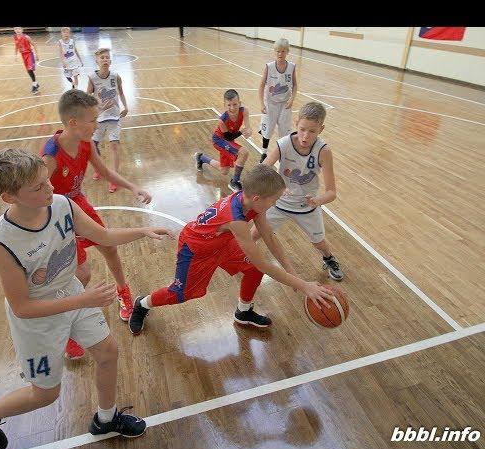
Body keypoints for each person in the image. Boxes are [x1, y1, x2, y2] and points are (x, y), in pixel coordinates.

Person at [0, 147, 173, 449]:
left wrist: (143, 230)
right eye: (38, 187)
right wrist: (83, 300)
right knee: (45, 394)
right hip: (37, 319)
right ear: (10, 197)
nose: (50, 188)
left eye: (47, 180)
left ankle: (106, 418)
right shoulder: (3, 241)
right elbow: (22, 307)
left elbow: (104, 236)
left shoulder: (62, 204)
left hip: (73, 294)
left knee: (108, 353)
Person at [128, 163, 333, 335]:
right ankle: (142, 304)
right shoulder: (235, 218)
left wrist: (292, 272)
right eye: (274, 200)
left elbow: (269, 236)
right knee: (182, 294)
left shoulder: (252, 204)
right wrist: (303, 285)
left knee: (253, 271)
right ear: (257, 198)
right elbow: (261, 260)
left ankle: (243, 312)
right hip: (195, 250)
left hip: (222, 243)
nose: (275, 204)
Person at [41, 89, 153, 357]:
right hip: (58, 214)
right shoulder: (50, 155)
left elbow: (103, 172)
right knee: (81, 274)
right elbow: (38, 192)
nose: (97, 124)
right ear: (73, 123)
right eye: (93, 120)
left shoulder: (86, 144)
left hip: (78, 203)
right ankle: (65, 328)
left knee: (110, 248)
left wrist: (132, 186)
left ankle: (123, 294)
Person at [256, 102, 343, 281]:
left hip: (307, 207)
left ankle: (329, 258)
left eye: (312, 131)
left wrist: (318, 200)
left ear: (321, 129)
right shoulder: (284, 144)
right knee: (254, 234)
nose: (305, 136)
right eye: (302, 129)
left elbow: (332, 192)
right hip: (279, 204)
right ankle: (240, 257)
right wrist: (278, 186)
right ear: (296, 123)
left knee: (319, 243)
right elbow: (263, 170)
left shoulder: (323, 151)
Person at [86, 48, 129, 193]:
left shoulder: (116, 76)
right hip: (98, 118)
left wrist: (126, 106)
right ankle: (99, 169)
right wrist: (98, 108)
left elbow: (121, 93)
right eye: (102, 58)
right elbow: (87, 98)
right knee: (93, 147)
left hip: (114, 117)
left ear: (110, 61)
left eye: (107, 58)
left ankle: (114, 177)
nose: (105, 60)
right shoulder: (92, 77)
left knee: (114, 146)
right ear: (97, 61)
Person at [194, 89, 252, 192]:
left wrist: (249, 131)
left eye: (235, 104)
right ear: (225, 105)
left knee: (224, 171)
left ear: (240, 103)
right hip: (220, 140)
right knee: (244, 152)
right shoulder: (222, 120)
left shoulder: (244, 111)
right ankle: (234, 182)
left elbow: (248, 128)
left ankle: (201, 158)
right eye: (229, 105)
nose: (232, 108)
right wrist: (241, 132)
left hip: (228, 141)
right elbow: (229, 137)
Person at [258, 38, 297, 162]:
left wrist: (292, 99)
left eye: (283, 51)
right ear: (275, 52)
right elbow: (261, 85)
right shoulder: (269, 67)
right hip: (270, 103)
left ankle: (282, 154)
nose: (280, 54)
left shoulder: (292, 67)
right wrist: (261, 103)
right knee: (268, 129)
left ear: (287, 52)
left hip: (285, 104)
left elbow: (295, 85)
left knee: (284, 132)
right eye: (278, 51)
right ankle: (264, 153)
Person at [13, 27, 40, 95]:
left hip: (29, 54)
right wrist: (15, 55)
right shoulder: (15, 37)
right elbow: (16, 46)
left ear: (22, 30)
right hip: (23, 55)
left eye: (19, 28)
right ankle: (35, 84)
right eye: (16, 29)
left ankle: (34, 85)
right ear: (14, 30)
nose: (17, 30)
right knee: (28, 70)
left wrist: (37, 54)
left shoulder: (26, 37)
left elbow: (34, 45)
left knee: (30, 69)